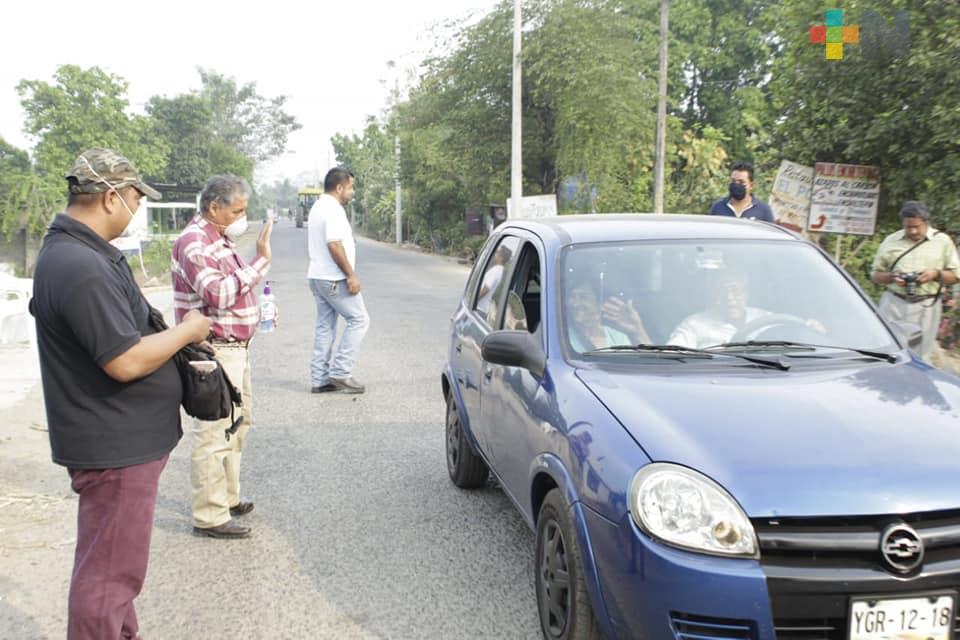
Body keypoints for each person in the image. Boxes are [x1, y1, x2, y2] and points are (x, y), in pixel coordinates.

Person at [30, 148, 212, 639]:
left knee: (117, 571)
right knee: (107, 579)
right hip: (113, 444)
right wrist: (187, 330)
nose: (137, 208)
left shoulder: (85, 254)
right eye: (135, 198)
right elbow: (125, 360)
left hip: (122, 438)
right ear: (111, 197)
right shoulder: (78, 264)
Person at [172, 175, 273, 539]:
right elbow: (218, 294)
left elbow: (235, 289)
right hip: (214, 351)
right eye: (237, 211)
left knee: (238, 425)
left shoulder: (218, 240)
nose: (242, 218)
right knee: (214, 432)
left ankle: (227, 497)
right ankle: (210, 515)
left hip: (235, 349)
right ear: (214, 207)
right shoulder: (194, 242)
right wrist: (260, 262)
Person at [871, 201, 960, 360]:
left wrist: (935, 274)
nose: (912, 231)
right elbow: (875, 275)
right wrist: (892, 276)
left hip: (927, 305)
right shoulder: (891, 240)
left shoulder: (942, 241)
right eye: (908, 227)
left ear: (926, 222)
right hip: (893, 302)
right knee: (886, 351)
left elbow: (956, 276)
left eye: (916, 226)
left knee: (920, 355)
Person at [308, 167, 370, 394]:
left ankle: (320, 379)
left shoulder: (318, 206)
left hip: (317, 276)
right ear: (340, 187)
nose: (352, 192)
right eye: (351, 187)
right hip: (334, 278)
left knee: (325, 326)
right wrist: (351, 275)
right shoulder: (333, 209)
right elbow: (334, 244)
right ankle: (341, 372)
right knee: (359, 319)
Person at [667, 269, 823, 349]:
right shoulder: (695, 325)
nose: (730, 298)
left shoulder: (766, 319)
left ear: (746, 293)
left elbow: (795, 335)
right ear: (714, 296)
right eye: (722, 292)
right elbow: (671, 355)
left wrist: (810, 328)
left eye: (736, 291)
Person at [565, 282, 653, 351]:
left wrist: (638, 330)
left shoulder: (618, 337)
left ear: (600, 303)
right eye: (572, 297)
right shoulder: (564, 337)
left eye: (583, 297)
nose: (575, 304)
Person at [708, 161, 774, 222]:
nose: (736, 184)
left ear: (751, 185)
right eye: (733, 181)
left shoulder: (763, 210)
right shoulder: (718, 207)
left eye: (741, 182)